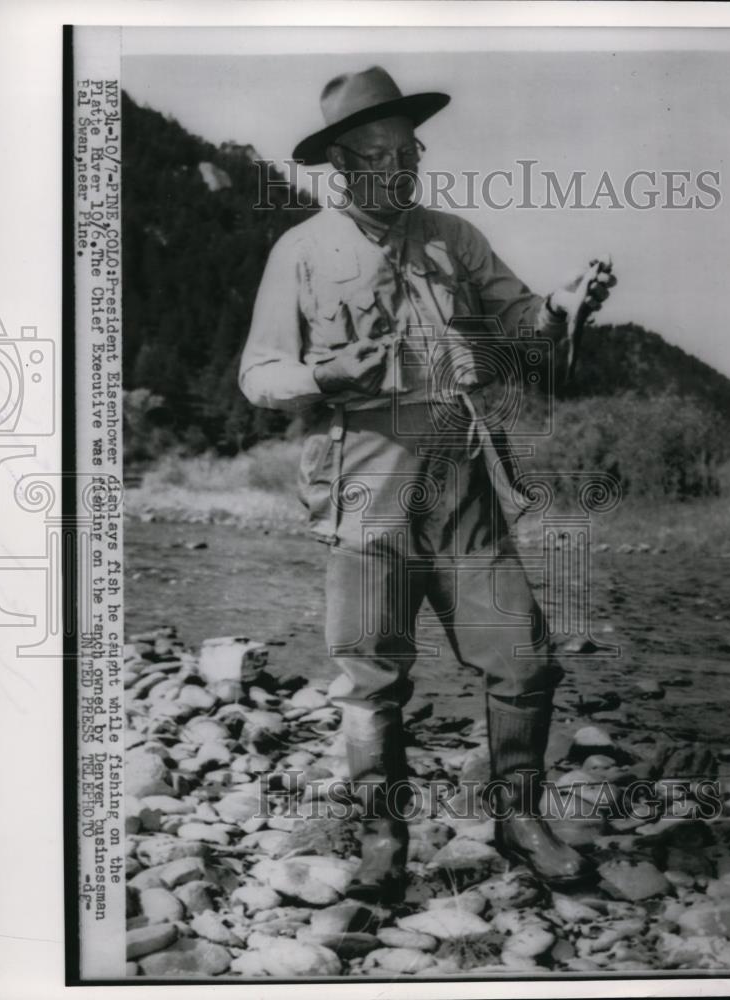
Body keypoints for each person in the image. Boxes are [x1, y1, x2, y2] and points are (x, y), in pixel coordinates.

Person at [239, 66, 617, 902]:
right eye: (378, 155)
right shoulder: (299, 252)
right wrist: (345, 371)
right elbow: (260, 376)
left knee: (524, 657)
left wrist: (562, 305)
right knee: (374, 680)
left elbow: (523, 322)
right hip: (365, 491)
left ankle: (520, 821)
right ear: (340, 163)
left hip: (464, 487)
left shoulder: (455, 236)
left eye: (409, 150)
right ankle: (383, 836)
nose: (400, 168)